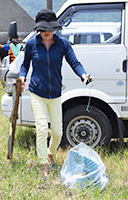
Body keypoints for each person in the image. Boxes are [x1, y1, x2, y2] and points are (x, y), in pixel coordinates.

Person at [18, 9, 93, 179]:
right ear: (38, 29)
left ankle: (50, 153)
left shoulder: (63, 44)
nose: (47, 32)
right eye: (43, 30)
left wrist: (83, 75)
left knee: (58, 132)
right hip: (37, 92)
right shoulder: (31, 44)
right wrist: (22, 77)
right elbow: (25, 65)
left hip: (55, 93)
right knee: (42, 129)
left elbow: (75, 62)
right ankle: (43, 164)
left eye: (50, 29)